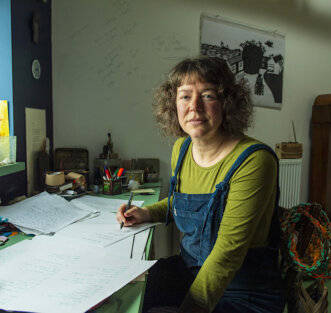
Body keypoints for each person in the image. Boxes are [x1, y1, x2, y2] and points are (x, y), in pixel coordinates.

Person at [116, 56, 285, 313]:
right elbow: (182, 201)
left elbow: (227, 255)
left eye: (207, 95)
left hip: (244, 291)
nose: (194, 107)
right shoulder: (181, 149)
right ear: (173, 105)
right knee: (125, 292)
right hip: (190, 271)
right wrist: (148, 212)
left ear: (227, 102)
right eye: (185, 96)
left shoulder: (254, 160)